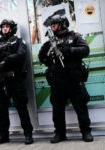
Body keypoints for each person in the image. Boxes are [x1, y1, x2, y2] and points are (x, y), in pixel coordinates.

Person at [38, 13, 93, 143]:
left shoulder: (75, 37)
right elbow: (42, 59)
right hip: (57, 80)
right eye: (52, 25)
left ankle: (86, 132)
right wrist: (47, 50)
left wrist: (70, 50)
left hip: (73, 78)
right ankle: (60, 133)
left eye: (55, 24)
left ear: (63, 24)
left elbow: (85, 50)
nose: (53, 27)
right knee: (57, 109)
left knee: (80, 106)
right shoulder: (50, 42)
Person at [0, 19, 34, 145]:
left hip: (15, 79)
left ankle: (28, 134)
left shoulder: (17, 41)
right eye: (3, 27)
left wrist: (7, 60)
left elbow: (21, 55)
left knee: (21, 107)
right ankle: (3, 135)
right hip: (2, 81)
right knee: (2, 109)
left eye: (7, 26)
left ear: (12, 28)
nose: (5, 28)